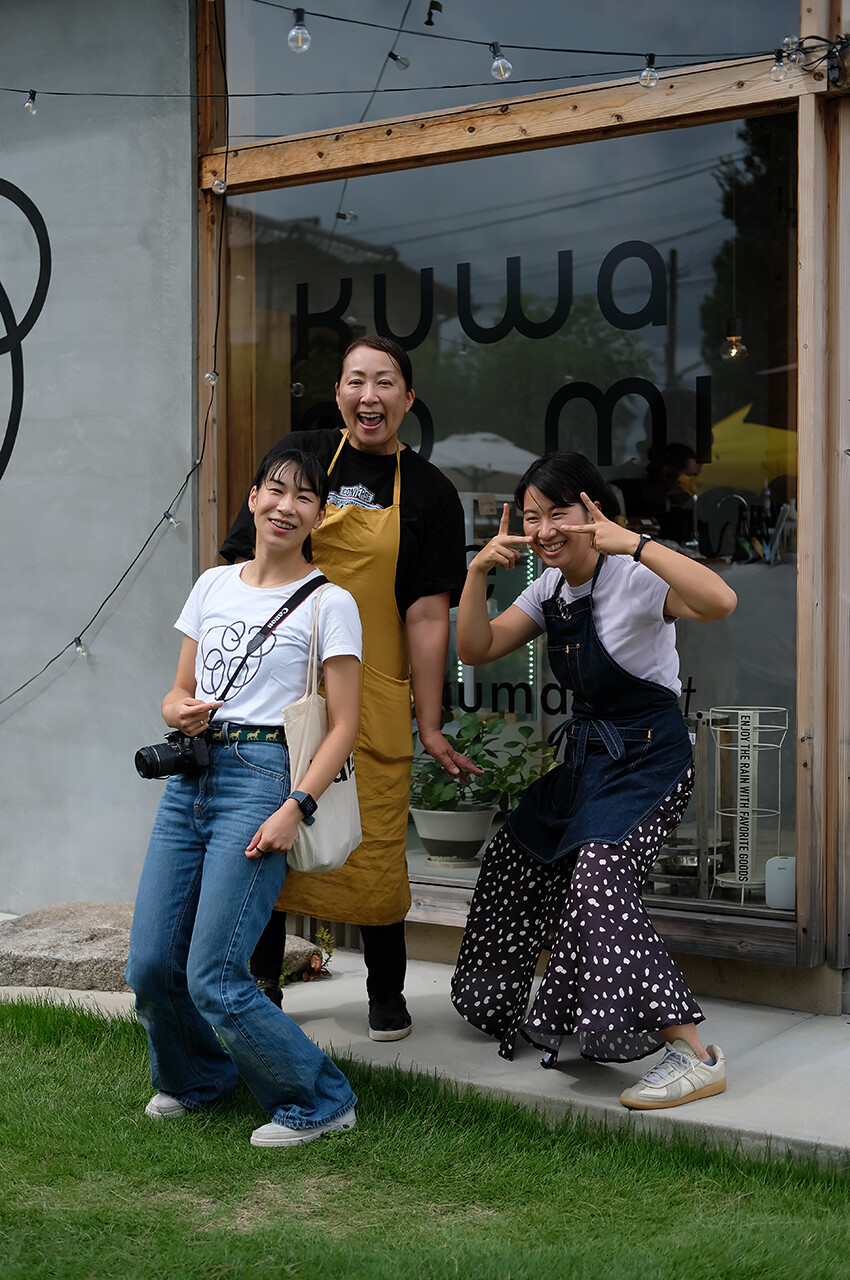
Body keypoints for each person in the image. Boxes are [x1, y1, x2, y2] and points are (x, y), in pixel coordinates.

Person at [451, 452, 738, 1110]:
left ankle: (695, 1055)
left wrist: (635, 542)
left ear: (592, 512)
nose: (546, 530)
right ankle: (531, 1007)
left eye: (560, 513)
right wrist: (475, 573)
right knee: (514, 855)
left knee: (598, 878)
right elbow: (475, 648)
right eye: (533, 518)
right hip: (586, 765)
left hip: (649, 764)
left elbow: (721, 602)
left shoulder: (633, 576)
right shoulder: (546, 592)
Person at [220, 336, 476, 1041]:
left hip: (373, 695)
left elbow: (427, 617)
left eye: (385, 382)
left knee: (376, 848)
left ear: (407, 398)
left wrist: (428, 721)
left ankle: (385, 994)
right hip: (280, 691)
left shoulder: (429, 491)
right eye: (357, 381)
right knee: (264, 839)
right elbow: (246, 565)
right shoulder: (300, 456)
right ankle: (262, 988)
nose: (371, 395)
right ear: (337, 393)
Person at [126, 448, 363, 1147]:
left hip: (265, 777)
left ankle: (321, 1099)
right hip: (192, 775)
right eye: (276, 490)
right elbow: (175, 692)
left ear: (320, 514)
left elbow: (345, 726)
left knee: (216, 973)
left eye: (305, 497)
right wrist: (178, 711)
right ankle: (196, 1078)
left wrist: (297, 806)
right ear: (254, 497)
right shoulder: (212, 585)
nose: (287, 506)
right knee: (150, 963)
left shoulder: (331, 601)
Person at [616, 442, 701, 543]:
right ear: (667, 474)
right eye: (690, 478)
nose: (693, 487)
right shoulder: (622, 495)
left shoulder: (676, 513)